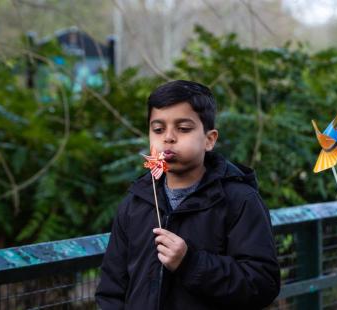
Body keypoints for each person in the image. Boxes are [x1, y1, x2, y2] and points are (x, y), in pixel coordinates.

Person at [95, 80, 280, 309]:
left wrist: (190, 263)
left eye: (183, 129)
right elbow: (111, 289)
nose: (168, 138)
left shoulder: (239, 200)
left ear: (209, 139)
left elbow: (263, 284)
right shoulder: (135, 203)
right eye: (158, 129)